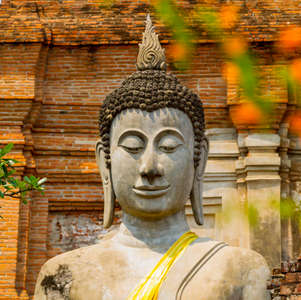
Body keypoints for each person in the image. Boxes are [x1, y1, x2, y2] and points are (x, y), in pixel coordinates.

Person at [34, 15, 270, 300]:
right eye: (132, 147)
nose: (149, 168)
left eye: (169, 147)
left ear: (200, 160)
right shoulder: (65, 274)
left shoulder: (240, 270)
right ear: (104, 163)